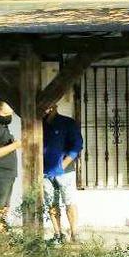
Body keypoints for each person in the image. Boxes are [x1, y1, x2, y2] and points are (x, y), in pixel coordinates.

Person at [42, 104, 83, 243]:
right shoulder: (39, 124)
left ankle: (74, 233)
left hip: (65, 172)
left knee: (69, 202)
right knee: (51, 204)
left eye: (46, 106)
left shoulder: (68, 123)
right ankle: (58, 234)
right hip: (45, 172)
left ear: (53, 106)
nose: (44, 109)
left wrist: (64, 163)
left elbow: (77, 145)